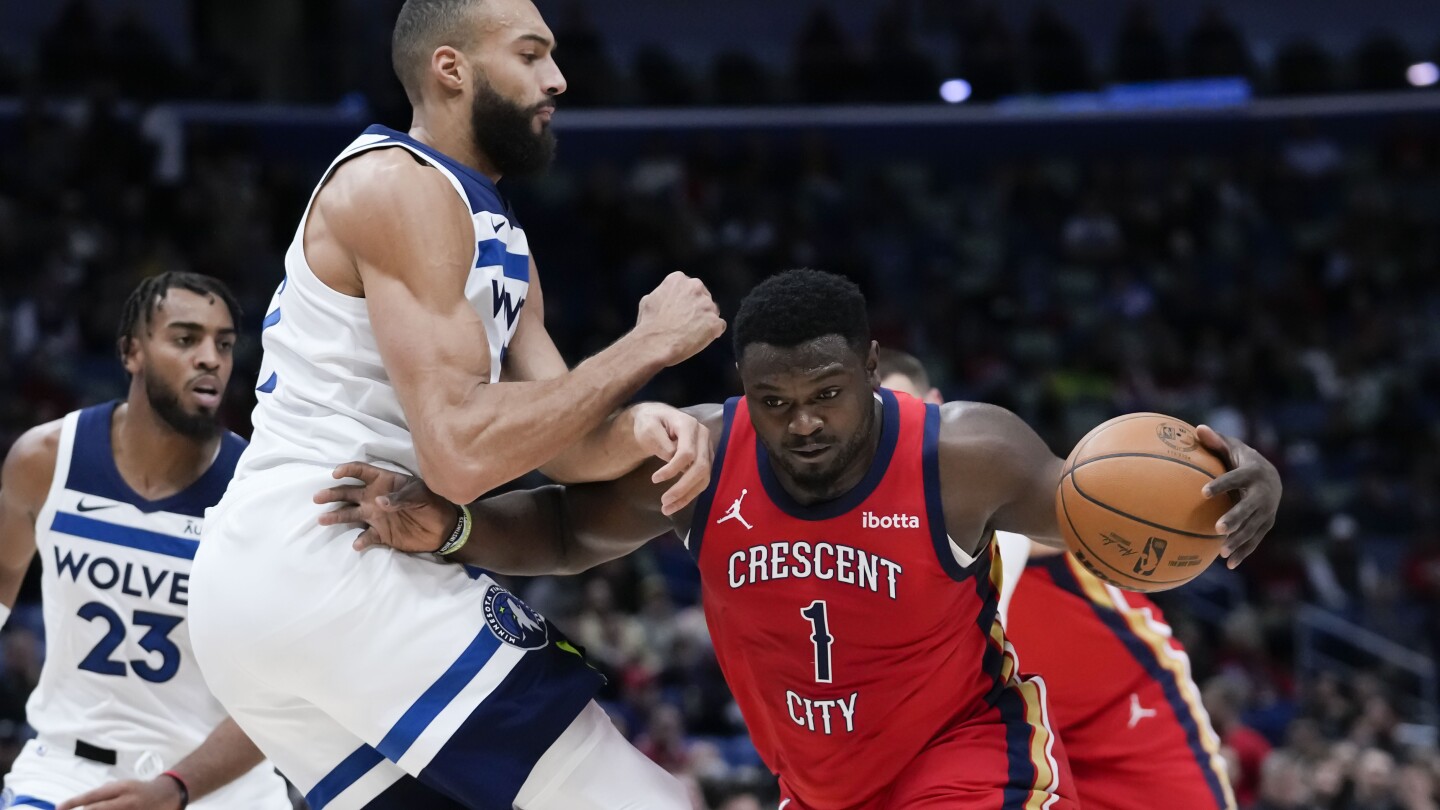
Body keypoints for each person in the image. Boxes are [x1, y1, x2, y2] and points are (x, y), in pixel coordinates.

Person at [318, 269, 1283, 810]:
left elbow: (1103, 507)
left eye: (827, 395)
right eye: (776, 403)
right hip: (819, 790)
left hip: (966, 757)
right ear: (744, 384)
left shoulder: (968, 456)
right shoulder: (702, 452)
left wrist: (1245, 483)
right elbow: (572, 532)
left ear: (870, 368)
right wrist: (455, 530)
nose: (805, 424)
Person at [185, 0, 725, 807]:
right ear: (451, 69)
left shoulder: (490, 224)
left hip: (279, 583)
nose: (558, 79)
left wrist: (638, 425)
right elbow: (460, 456)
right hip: (331, 553)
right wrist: (645, 346)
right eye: (532, 55)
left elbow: (561, 442)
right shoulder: (400, 187)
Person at [879, 349, 1242, 810]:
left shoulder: (977, 486)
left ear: (935, 404)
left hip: (1121, 714)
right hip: (1005, 732)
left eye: (903, 408)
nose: (893, 436)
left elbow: (1098, 510)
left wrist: (1218, 485)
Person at [0, 273, 291, 810]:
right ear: (132, 352)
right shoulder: (46, 460)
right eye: (186, 339)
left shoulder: (261, 493)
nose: (211, 358)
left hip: (217, 787)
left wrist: (173, 790)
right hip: (66, 772)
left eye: (223, 344)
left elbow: (288, 697)